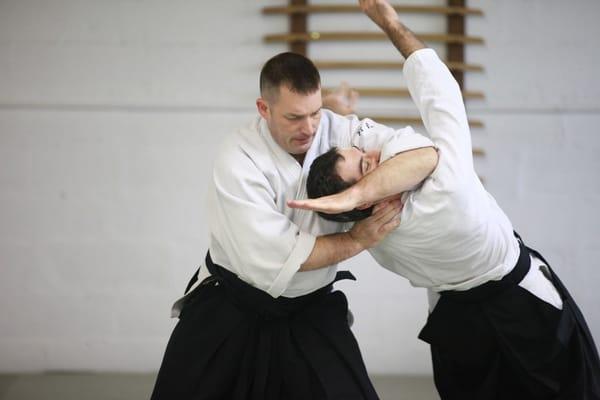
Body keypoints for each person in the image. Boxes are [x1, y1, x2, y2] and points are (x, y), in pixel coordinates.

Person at [289, 2, 600, 399]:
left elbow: (354, 177)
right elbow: (437, 86)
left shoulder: (369, 232)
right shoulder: (446, 181)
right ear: (367, 197)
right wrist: (391, 22)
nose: (370, 154)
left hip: (454, 321)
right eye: (364, 167)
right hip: (522, 304)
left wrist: (334, 113)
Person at [149, 1, 439, 399]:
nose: (309, 129)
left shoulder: (339, 129)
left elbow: (422, 154)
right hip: (233, 302)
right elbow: (278, 255)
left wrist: (359, 190)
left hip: (309, 306)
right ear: (263, 109)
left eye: (315, 113)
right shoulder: (239, 158)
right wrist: (357, 239)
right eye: (293, 118)